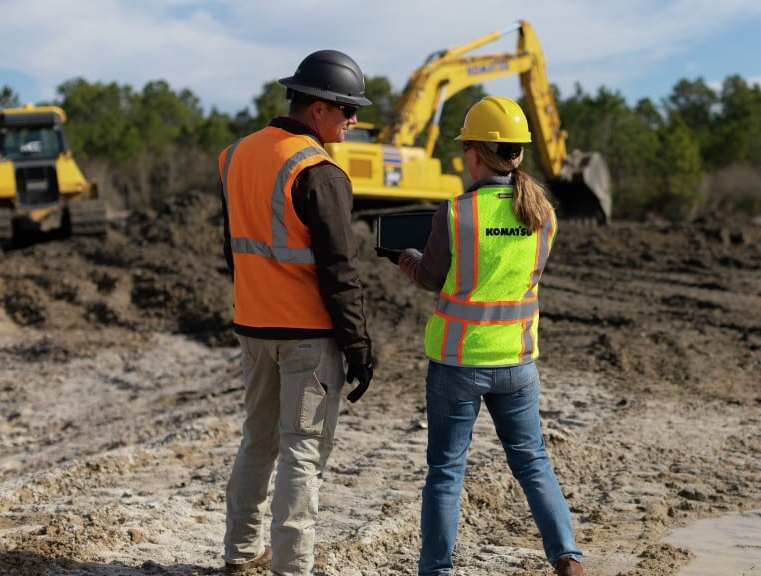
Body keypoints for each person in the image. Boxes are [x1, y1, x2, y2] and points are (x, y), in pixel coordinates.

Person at [391, 95, 586, 576]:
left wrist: (404, 257)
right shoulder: (543, 215)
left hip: (458, 363)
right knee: (533, 463)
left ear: (475, 153)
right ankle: (567, 558)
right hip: (518, 362)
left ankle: (437, 571)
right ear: (518, 152)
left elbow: (433, 277)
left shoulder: (456, 213)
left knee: (445, 474)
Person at [217, 49, 375, 576]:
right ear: (318, 109)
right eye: (347, 109)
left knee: (257, 442)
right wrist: (357, 345)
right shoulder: (319, 170)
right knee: (302, 453)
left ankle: (239, 555)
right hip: (307, 336)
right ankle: (291, 568)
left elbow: (232, 248)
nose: (354, 120)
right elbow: (339, 270)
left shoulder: (235, 155)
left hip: (253, 327)